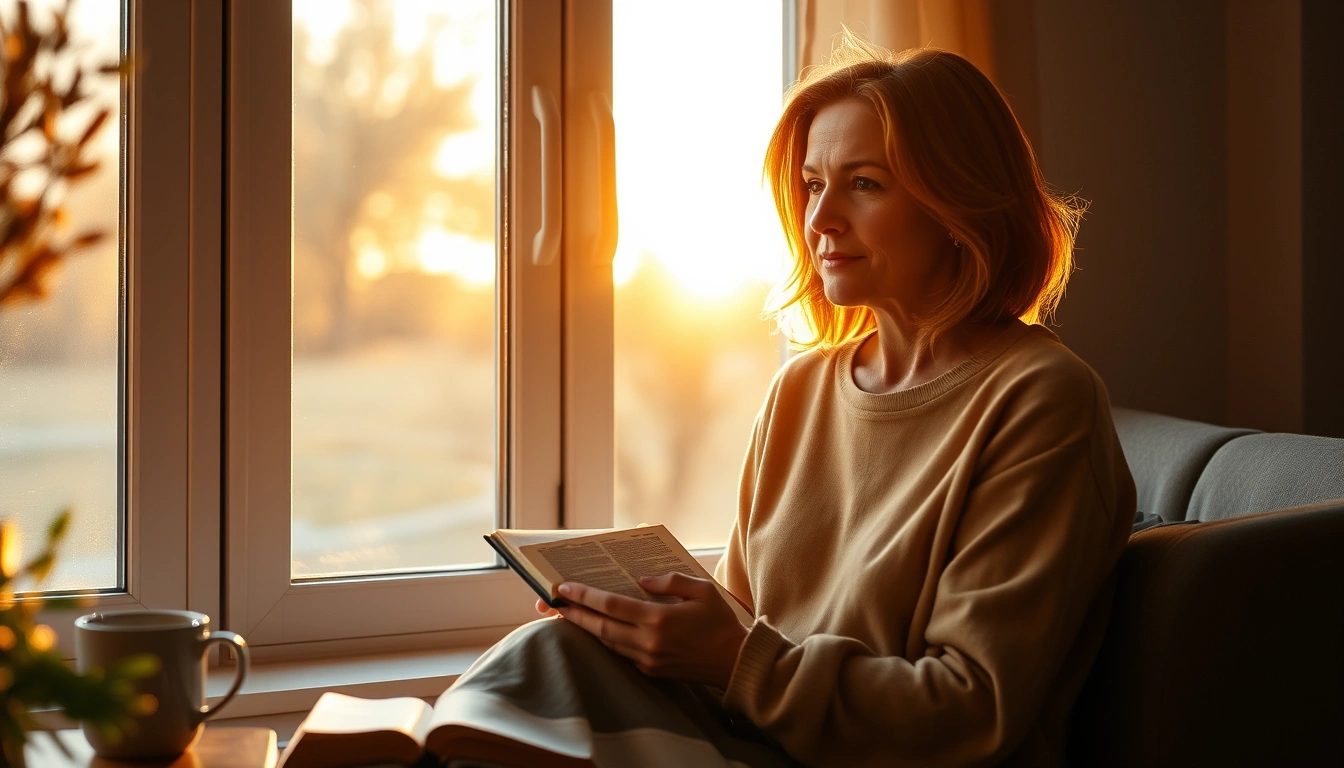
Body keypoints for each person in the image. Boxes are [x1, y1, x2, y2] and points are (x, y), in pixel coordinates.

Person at [445, 35, 1136, 768]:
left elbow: (969, 712)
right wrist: (640, 631)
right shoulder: (800, 391)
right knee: (553, 654)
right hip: (751, 745)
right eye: (812, 184)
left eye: (864, 183)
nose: (821, 220)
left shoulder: (1040, 401)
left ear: (959, 202)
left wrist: (736, 659)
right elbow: (744, 640)